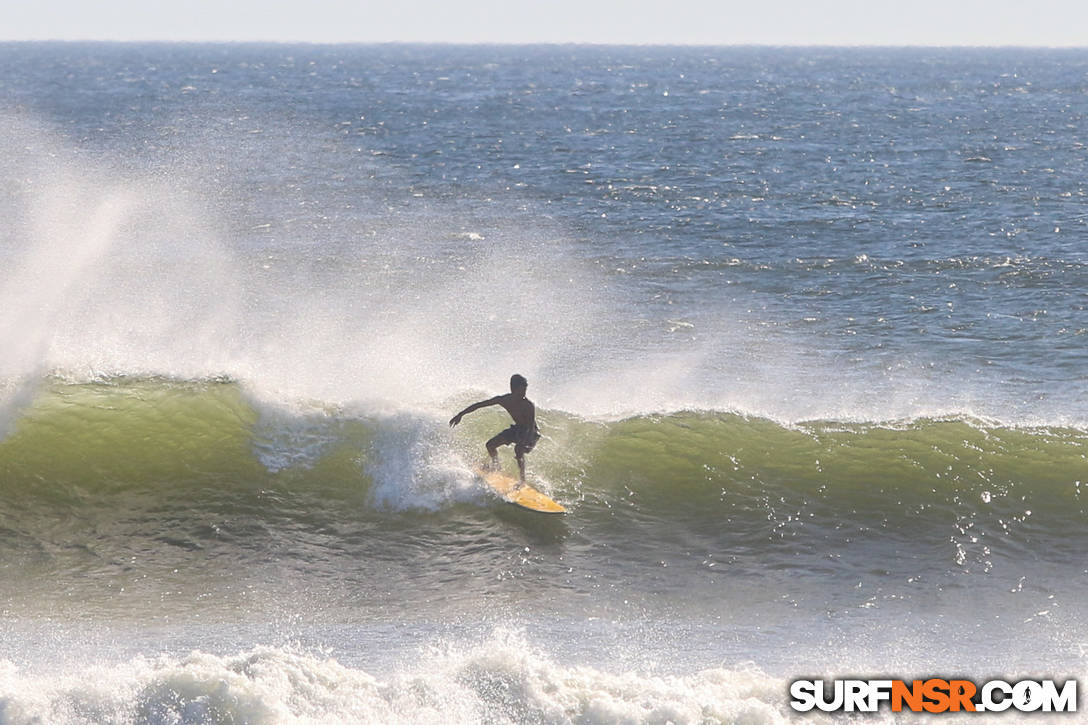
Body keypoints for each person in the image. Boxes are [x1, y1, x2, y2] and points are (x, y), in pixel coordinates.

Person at [449, 374, 541, 483]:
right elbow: (479, 405)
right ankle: (497, 466)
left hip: (531, 433)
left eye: (525, 390)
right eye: (521, 391)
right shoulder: (504, 400)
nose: (524, 394)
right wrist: (461, 414)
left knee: (518, 449)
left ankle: (522, 480)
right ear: (513, 389)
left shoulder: (528, 405)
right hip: (517, 429)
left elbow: (530, 428)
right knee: (490, 445)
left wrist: (522, 443)